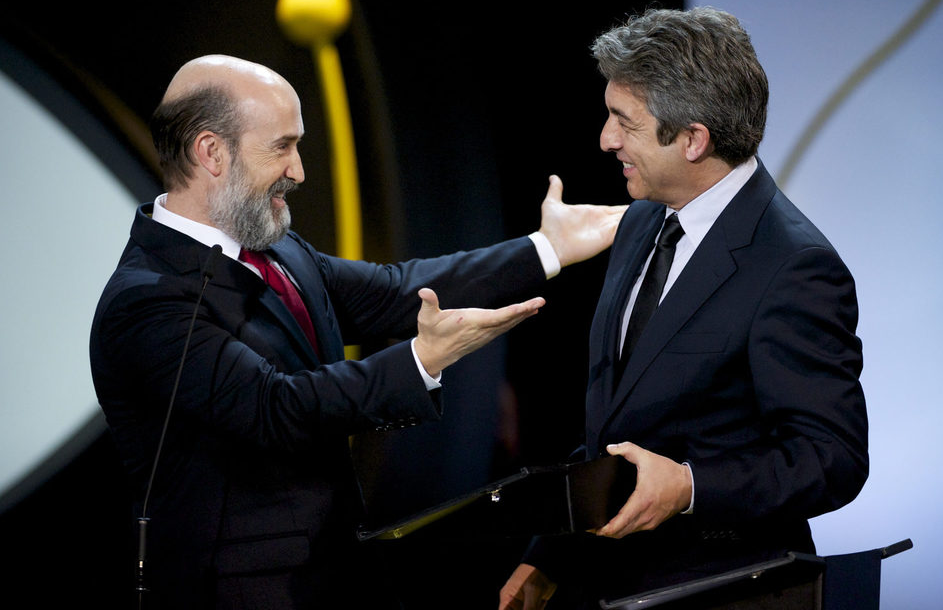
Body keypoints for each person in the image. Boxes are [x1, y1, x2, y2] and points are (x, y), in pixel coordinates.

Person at [89, 54, 626, 609]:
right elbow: (277, 408)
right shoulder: (147, 300)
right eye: (282, 146)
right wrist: (421, 361)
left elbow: (397, 290)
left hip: (337, 573)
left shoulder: (279, 251)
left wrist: (546, 249)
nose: (298, 171)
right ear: (211, 152)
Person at [499, 7, 869, 609]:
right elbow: (617, 424)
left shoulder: (795, 268)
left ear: (694, 139)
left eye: (624, 122)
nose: (605, 139)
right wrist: (549, 554)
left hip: (721, 591)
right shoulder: (645, 216)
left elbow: (831, 459)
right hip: (609, 585)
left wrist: (691, 487)